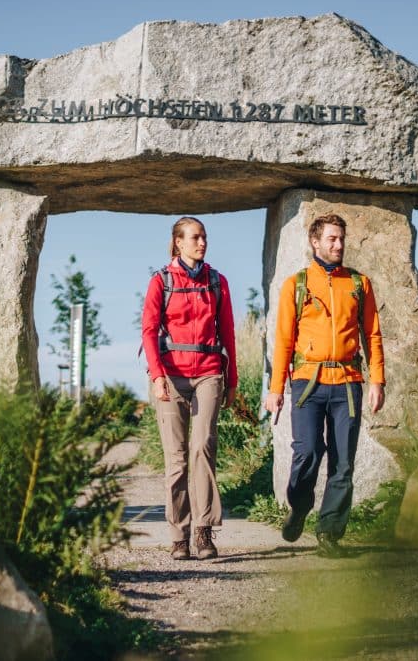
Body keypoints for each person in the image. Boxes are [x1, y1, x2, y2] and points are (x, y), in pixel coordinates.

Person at [263, 213, 385, 558]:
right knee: (307, 453)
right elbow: (284, 341)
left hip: (348, 382)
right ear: (315, 242)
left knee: (343, 462)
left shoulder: (359, 284)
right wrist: (275, 390)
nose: (338, 245)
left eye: (341, 239)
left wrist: (377, 380)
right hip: (307, 383)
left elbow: (372, 335)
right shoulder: (297, 284)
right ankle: (299, 506)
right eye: (332, 239)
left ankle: (330, 532)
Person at [141, 216, 238, 561]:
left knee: (202, 448)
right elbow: (149, 332)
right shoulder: (161, 281)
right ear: (178, 242)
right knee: (176, 460)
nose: (202, 243)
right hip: (170, 376)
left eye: (204, 237)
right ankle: (179, 535)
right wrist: (156, 376)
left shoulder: (217, 282)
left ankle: (204, 530)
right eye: (195, 237)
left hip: (209, 373)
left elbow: (228, 332)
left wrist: (233, 380)